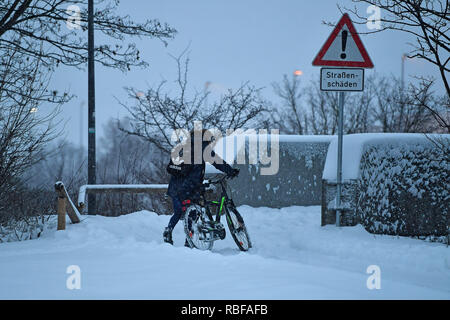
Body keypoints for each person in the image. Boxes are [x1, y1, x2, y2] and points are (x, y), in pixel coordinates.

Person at [164, 129, 239, 246]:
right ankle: (189, 240)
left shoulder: (183, 146)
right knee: (194, 213)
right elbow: (217, 162)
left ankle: (168, 231)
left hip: (175, 186)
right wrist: (231, 171)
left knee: (178, 212)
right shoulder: (203, 149)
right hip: (190, 187)